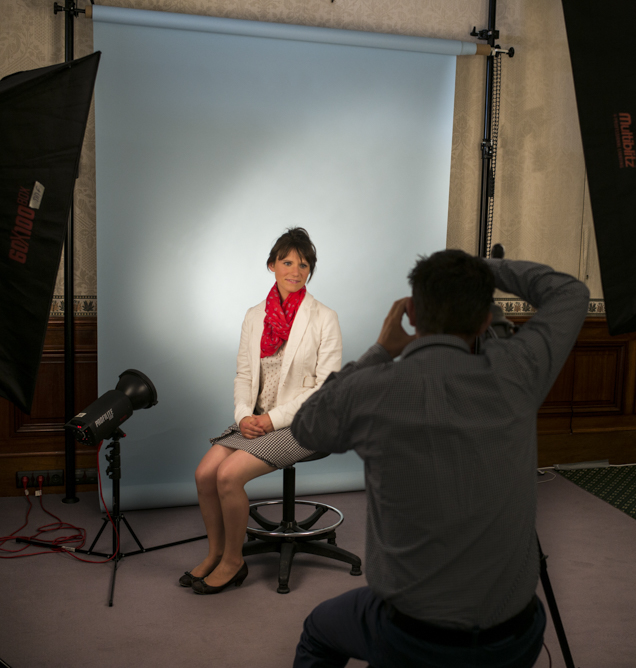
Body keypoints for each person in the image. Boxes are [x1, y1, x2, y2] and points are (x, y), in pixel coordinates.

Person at [289, 249, 590, 667]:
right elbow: (570, 292)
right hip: (514, 636)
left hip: (411, 638)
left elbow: (306, 426)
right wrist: (486, 268)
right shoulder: (518, 371)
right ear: (486, 320)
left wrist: (380, 349)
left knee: (319, 631)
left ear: (410, 313)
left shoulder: (371, 390)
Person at [182, 227, 342, 595]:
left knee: (227, 476)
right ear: (271, 265)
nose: (295, 270)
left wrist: (272, 419)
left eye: (303, 264)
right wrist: (243, 417)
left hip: (304, 423)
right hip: (255, 420)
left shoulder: (324, 317)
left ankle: (234, 563)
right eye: (287, 261)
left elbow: (326, 388)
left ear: (309, 272)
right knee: (205, 473)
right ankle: (216, 553)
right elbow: (242, 374)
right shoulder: (255, 316)